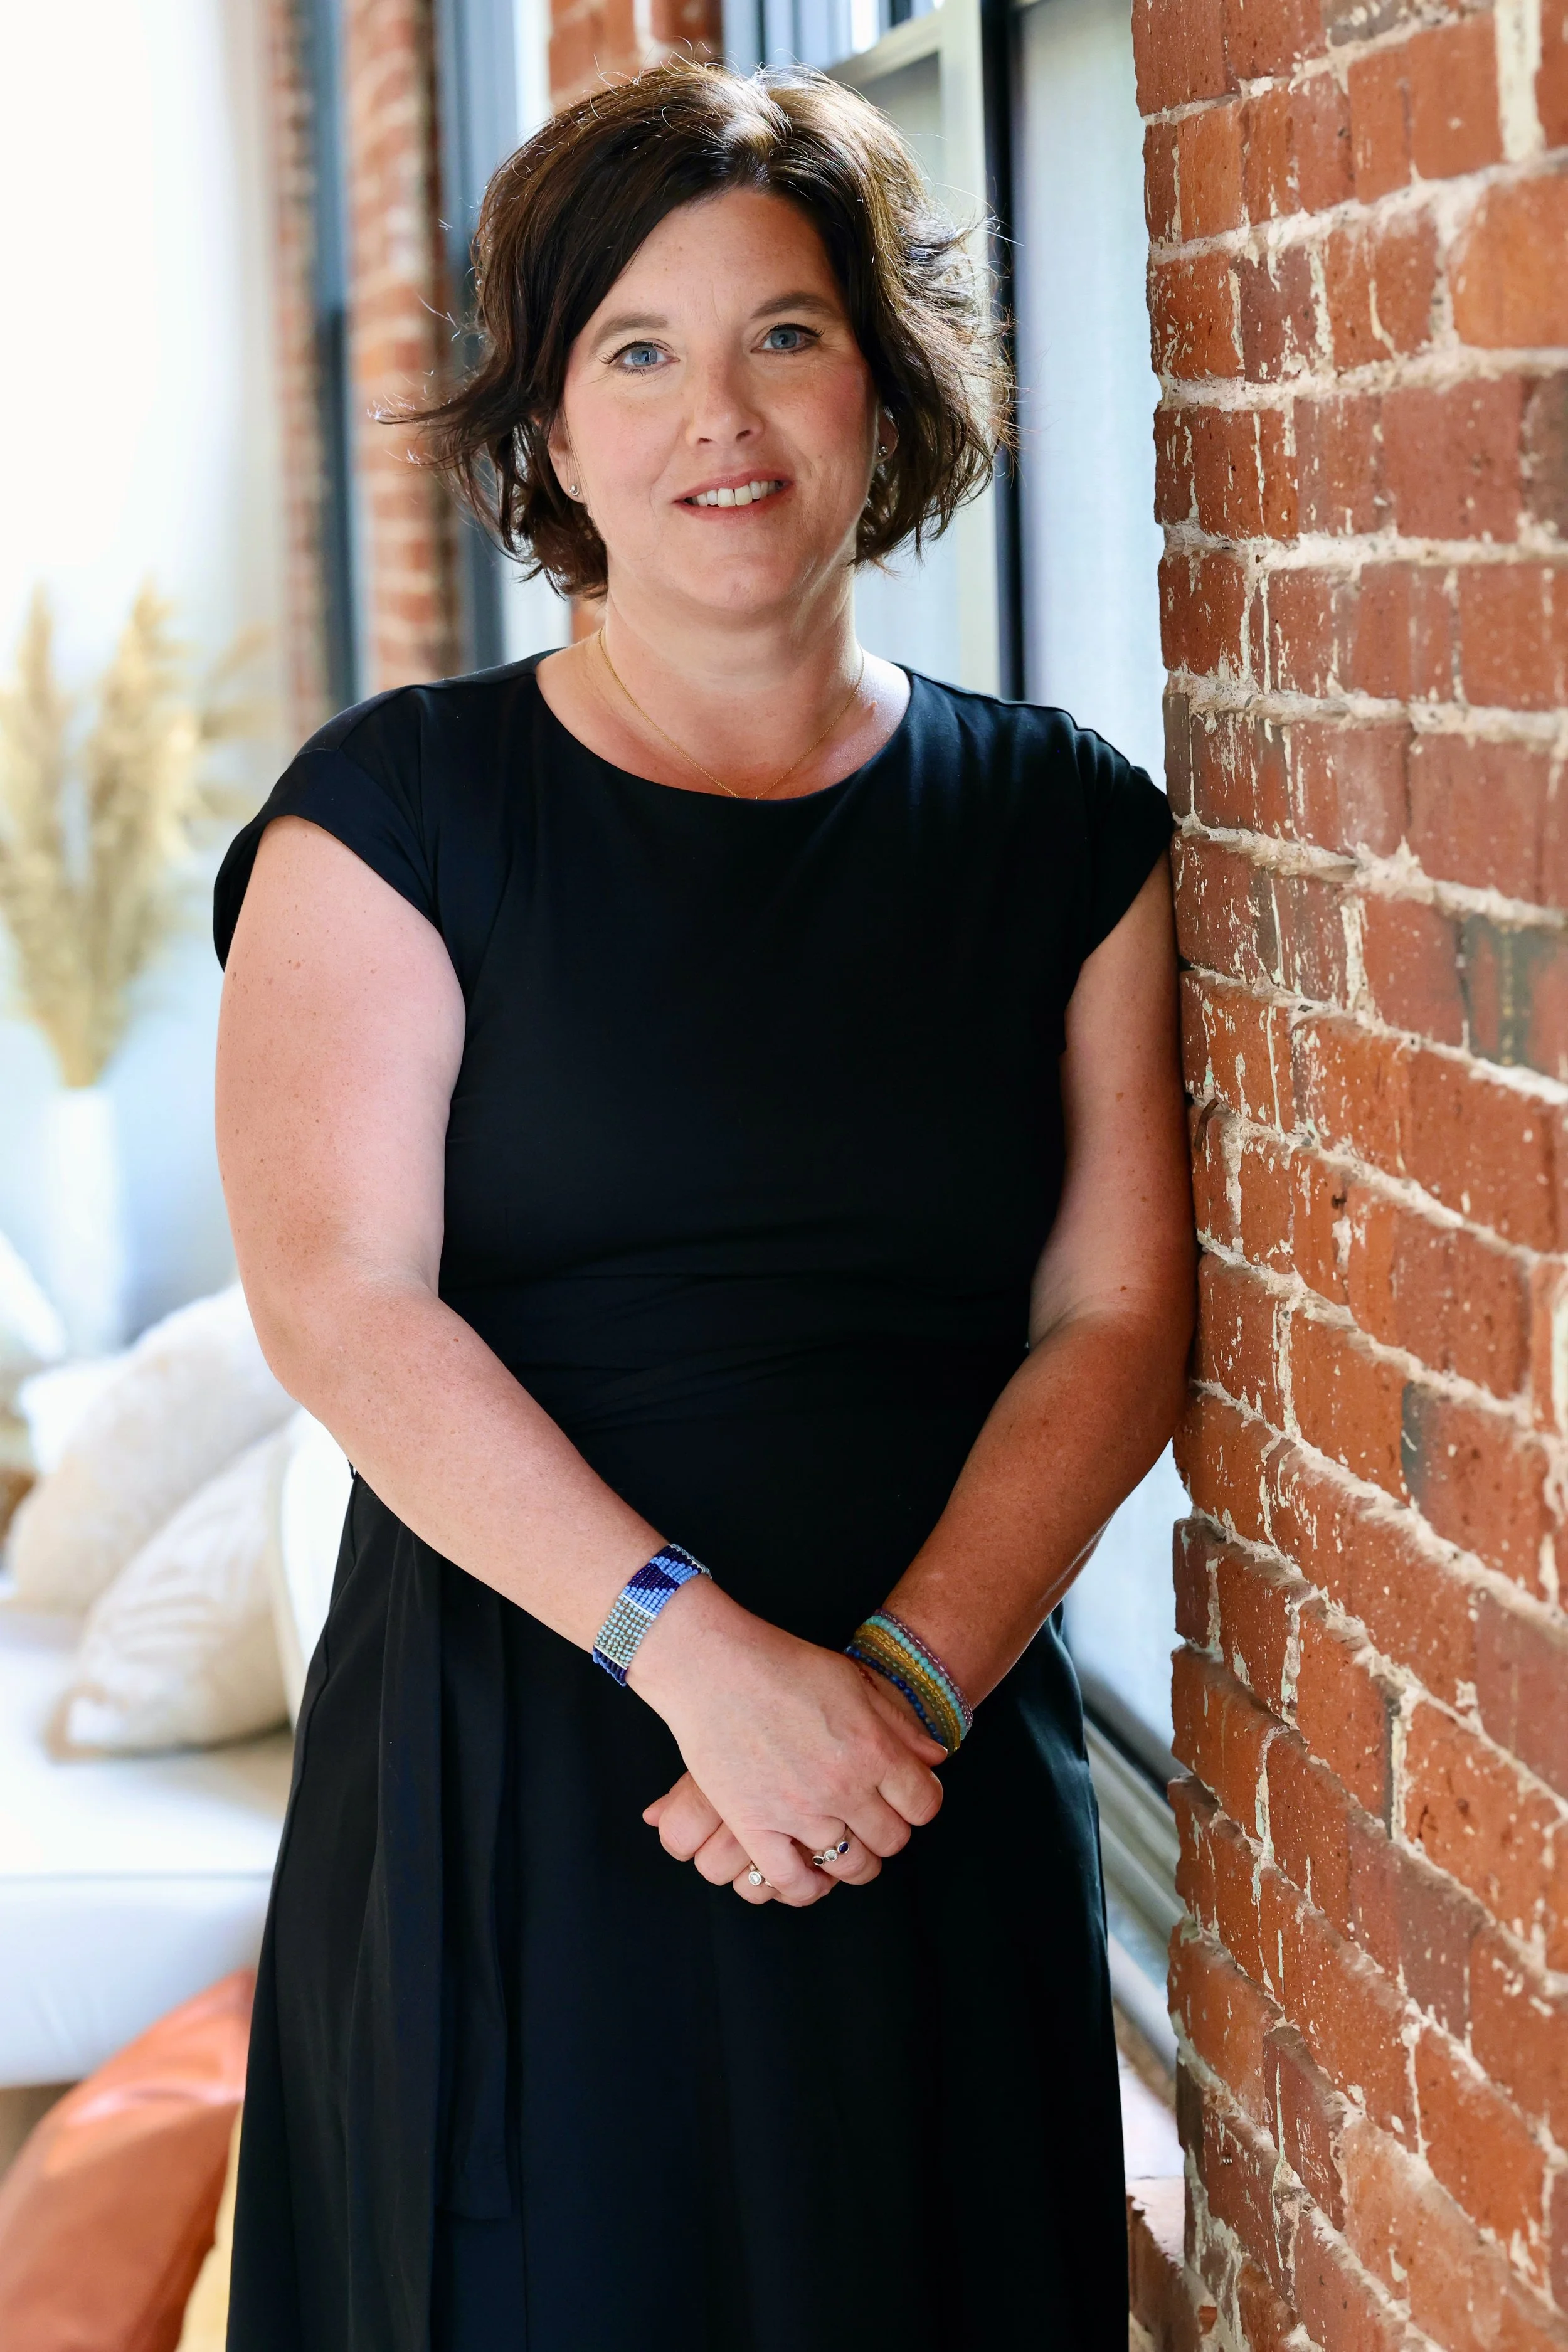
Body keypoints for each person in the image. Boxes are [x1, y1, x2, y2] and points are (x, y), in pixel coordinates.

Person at [213, 59, 1193, 2352]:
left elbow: (1117, 1315)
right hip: (535, 1769)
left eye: (782, 331)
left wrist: (882, 1691)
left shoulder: (1062, 829)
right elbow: (345, 1302)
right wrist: (695, 1657)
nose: (713, 416)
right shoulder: (399, 813)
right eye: (632, 353)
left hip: (912, 1766)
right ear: (550, 434)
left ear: (884, 379)